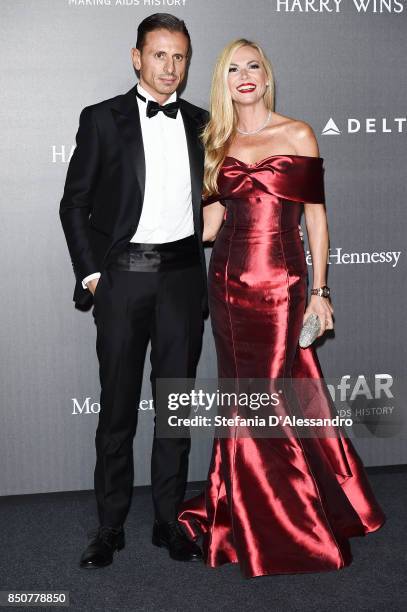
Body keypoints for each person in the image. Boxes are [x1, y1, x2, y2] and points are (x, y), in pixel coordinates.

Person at [178, 39, 386, 578]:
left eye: (253, 66)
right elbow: (210, 228)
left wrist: (321, 291)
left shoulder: (297, 133)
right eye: (232, 69)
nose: (244, 75)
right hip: (226, 284)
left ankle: (290, 524)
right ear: (222, 82)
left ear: (266, 78)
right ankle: (242, 511)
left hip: (283, 284)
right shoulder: (215, 142)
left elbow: (315, 218)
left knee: (268, 395)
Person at [60, 13, 207, 568]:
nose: (171, 67)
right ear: (136, 56)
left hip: (182, 281)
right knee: (118, 409)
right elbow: (74, 203)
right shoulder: (101, 119)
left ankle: (168, 522)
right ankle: (109, 526)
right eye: (161, 55)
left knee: (174, 409)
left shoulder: (201, 121)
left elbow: (215, 199)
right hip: (122, 278)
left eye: (181, 57)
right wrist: (93, 273)